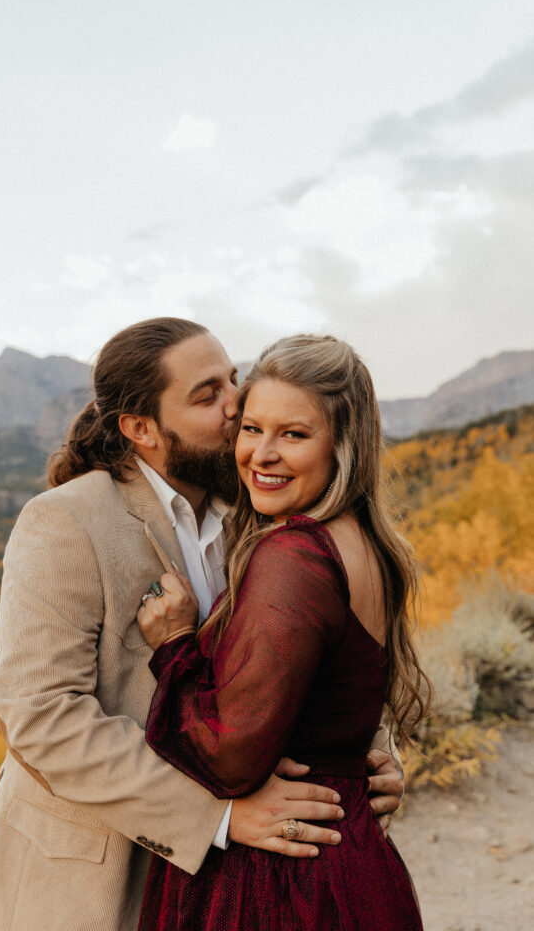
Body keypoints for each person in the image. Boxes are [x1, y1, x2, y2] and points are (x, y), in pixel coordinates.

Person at [0, 319, 404, 931]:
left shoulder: (253, 514)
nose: (236, 406)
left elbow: (298, 654)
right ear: (142, 429)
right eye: (207, 396)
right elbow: (41, 717)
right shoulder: (64, 522)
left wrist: (362, 751)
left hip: (222, 887)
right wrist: (217, 816)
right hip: (92, 882)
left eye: (232, 381)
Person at [137, 333, 429, 931]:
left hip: (280, 882)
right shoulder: (366, 543)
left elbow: (230, 756)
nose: (261, 455)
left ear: (342, 446)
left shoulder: (294, 555)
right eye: (250, 428)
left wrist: (173, 647)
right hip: (345, 859)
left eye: (293, 435)